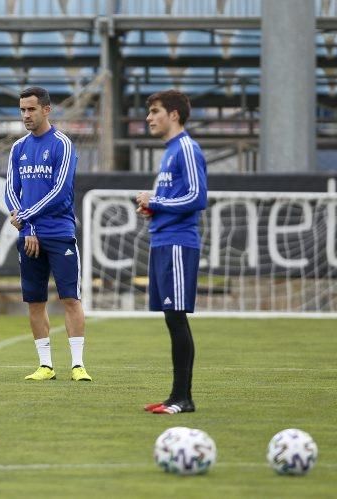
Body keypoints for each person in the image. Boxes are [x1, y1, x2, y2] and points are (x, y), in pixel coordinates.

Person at [4, 87, 92, 383]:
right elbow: (10, 191)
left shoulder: (62, 145)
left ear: (46, 110)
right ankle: (45, 365)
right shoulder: (18, 148)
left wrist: (26, 216)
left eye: (31, 109)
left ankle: (78, 365)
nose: (26, 115)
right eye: (22, 110)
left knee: (70, 297)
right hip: (29, 235)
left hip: (59, 232)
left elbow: (59, 191)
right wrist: (27, 227)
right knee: (34, 300)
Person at [137, 89, 207, 415]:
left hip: (179, 242)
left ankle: (183, 398)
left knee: (177, 319)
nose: (149, 118)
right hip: (163, 239)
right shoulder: (169, 152)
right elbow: (176, 199)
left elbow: (197, 197)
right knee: (171, 318)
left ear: (174, 115)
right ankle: (176, 397)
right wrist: (153, 207)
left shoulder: (187, 149)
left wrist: (158, 202)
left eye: (154, 111)